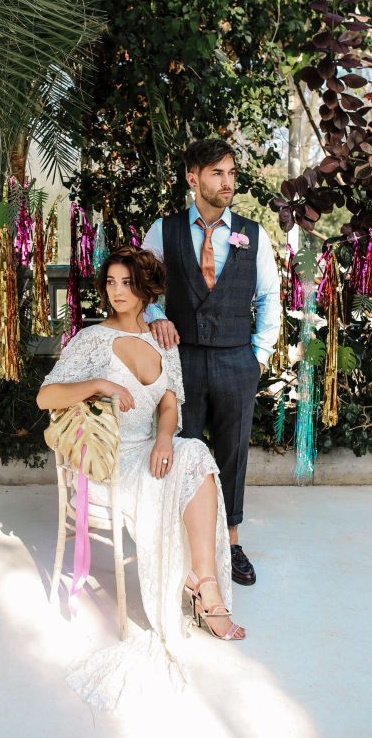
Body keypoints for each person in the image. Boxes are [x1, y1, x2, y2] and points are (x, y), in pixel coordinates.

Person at [37, 246, 243, 713]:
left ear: (145, 289)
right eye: (111, 282)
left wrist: (165, 439)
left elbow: (169, 404)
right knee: (192, 462)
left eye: (127, 283)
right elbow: (45, 397)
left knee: (196, 454)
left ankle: (205, 583)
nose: (117, 291)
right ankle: (203, 592)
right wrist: (99, 384)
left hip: (151, 450)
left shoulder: (161, 340)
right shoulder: (91, 340)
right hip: (111, 463)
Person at [143, 138, 281, 586]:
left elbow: (270, 296)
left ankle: (232, 541)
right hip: (181, 360)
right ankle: (184, 544)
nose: (227, 182)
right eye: (217, 173)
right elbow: (141, 287)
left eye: (231, 173)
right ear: (193, 178)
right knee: (183, 450)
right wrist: (156, 316)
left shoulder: (253, 234)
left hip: (237, 360)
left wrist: (259, 355)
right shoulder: (163, 231)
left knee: (233, 452)